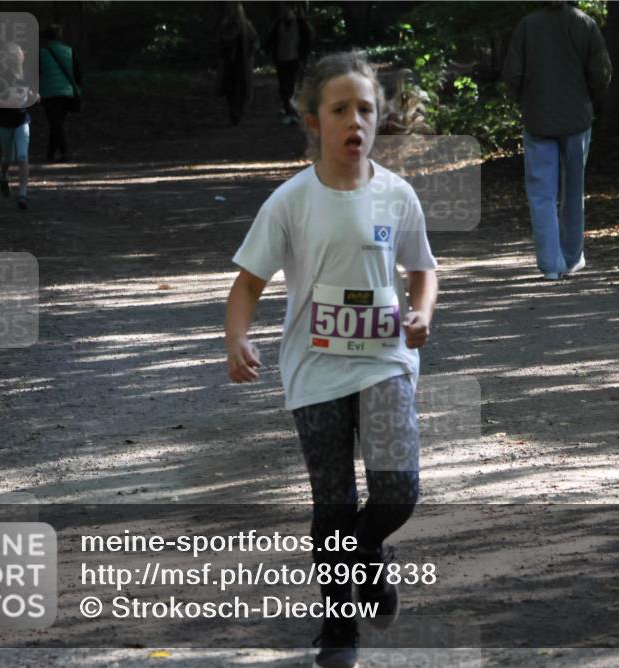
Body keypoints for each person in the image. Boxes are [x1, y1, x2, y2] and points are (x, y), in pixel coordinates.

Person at [224, 51, 438, 668]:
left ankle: (368, 555)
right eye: (340, 109)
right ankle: (338, 625)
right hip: (314, 371)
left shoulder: (398, 195)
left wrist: (422, 312)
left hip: (387, 362)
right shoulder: (291, 201)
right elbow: (247, 284)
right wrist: (236, 337)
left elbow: (423, 269)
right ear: (313, 121)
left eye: (366, 109)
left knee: (397, 492)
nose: (355, 121)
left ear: (380, 119)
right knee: (335, 503)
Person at [503, 1, 611, 280]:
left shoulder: (527, 26)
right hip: (577, 120)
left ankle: (551, 265)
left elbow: (512, 75)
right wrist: (586, 97)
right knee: (573, 191)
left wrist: (525, 100)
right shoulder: (584, 24)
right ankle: (572, 257)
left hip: (538, 119)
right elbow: (601, 74)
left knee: (542, 195)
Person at [0, 42, 40, 210]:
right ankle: (3, 174)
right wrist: (5, 103)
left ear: (23, 55)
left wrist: (35, 96)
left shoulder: (28, 75)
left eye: (17, 53)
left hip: (22, 120)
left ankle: (22, 194)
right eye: (11, 54)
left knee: (22, 157)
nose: (15, 57)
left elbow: (33, 93)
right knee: (8, 158)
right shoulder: (1, 76)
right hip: (4, 123)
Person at [264, 2, 313, 125]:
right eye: (283, 9)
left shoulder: (300, 24)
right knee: (283, 85)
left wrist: (303, 58)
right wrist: (266, 50)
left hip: (294, 59)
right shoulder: (279, 23)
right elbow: (271, 39)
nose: (284, 12)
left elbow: (307, 41)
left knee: (292, 84)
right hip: (281, 58)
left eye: (286, 9)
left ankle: (291, 109)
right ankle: (288, 107)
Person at [38, 24, 81, 162]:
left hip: (49, 93)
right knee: (57, 123)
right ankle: (50, 154)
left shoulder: (41, 53)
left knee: (55, 123)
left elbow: (35, 73)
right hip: (66, 92)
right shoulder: (69, 51)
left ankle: (64, 151)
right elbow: (77, 73)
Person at [218, 2, 258, 126]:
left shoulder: (246, 26)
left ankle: (237, 114)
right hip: (229, 64)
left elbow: (255, 39)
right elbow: (219, 41)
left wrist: (252, 51)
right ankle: (233, 113)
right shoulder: (225, 25)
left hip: (241, 64)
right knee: (230, 89)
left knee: (239, 90)